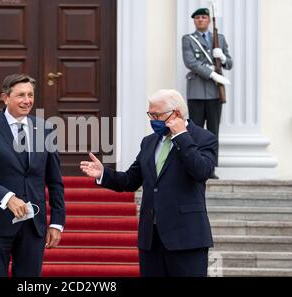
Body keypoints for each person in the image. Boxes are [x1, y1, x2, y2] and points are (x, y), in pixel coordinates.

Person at [81, 90, 217, 277]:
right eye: (150, 115)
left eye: (156, 115)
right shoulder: (149, 142)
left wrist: (181, 136)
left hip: (186, 238)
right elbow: (130, 180)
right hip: (151, 239)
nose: (152, 120)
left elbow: (202, 171)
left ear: (175, 113)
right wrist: (103, 174)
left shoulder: (204, 138)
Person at [0, 74, 66, 277]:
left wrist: (57, 222)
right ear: (5, 98)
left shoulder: (46, 129)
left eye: (30, 95)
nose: (27, 100)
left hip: (33, 225)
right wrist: (8, 198)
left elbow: (55, 180)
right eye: (21, 95)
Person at [182, 8, 233, 179]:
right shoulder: (188, 39)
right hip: (196, 91)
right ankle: (194, 166)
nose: (200, 20)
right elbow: (191, 62)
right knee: (194, 131)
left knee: (213, 132)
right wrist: (211, 73)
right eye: (197, 18)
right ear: (194, 21)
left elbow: (229, 63)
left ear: (209, 21)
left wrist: (223, 58)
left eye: (203, 17)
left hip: (214, 92)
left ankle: (210, 167)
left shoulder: (220, 38)